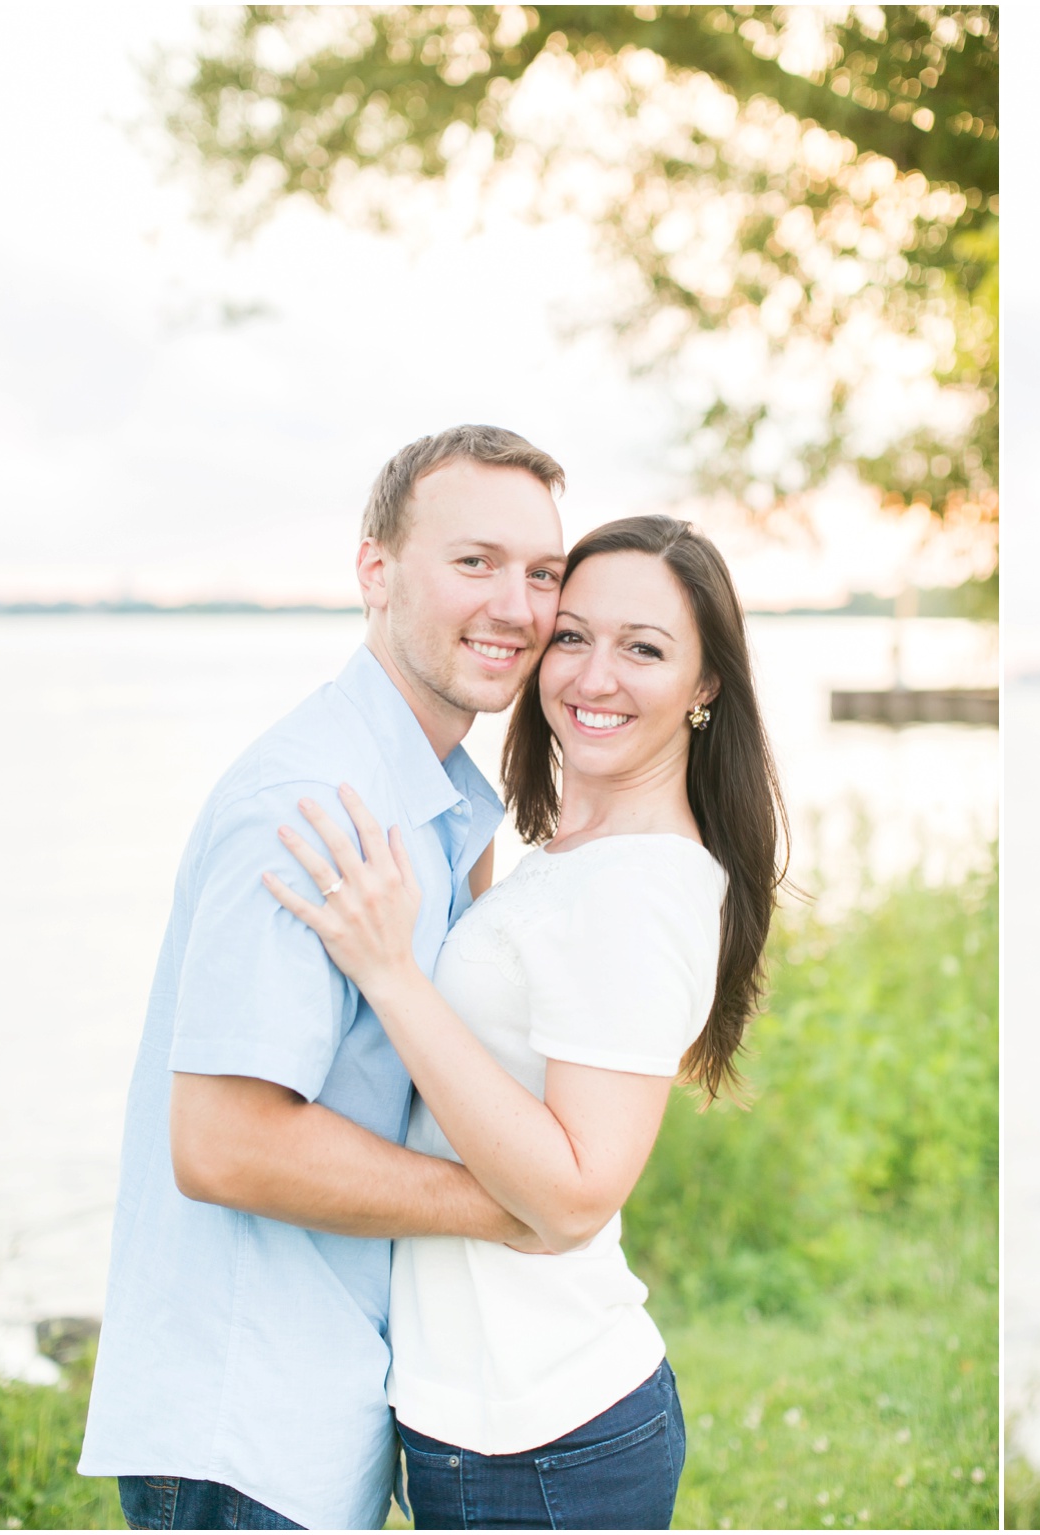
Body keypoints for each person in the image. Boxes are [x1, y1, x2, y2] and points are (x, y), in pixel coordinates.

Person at [80, 425, 570, 1530]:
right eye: (474, 561)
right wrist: (510, 1205)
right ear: (375, 572)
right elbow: (222, 1140)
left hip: (316, 1397)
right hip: (242, 1424)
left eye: (540, 573)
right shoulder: (311, 805)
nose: (515, 604)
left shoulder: (430, 789)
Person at [262, 515, 784, 1530]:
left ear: (705, 685)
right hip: (491, 1417)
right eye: (572, 636)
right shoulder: (577, 852)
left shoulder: (633, 890)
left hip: (541, 1437)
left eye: (644, 648)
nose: (593, 676)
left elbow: (578, 1193)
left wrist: (389, 970)